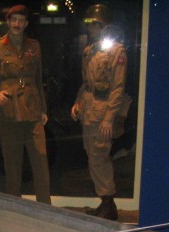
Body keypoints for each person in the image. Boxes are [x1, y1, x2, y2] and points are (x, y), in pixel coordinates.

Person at [0, 4, 51, 205]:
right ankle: (14, 208)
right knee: (12, 165)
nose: (17, 24)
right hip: (9, 112)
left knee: (40, 162)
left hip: (33, 110)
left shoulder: (34, 46)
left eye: (21, 20)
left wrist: (44, 109)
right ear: (8, 22)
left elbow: (38, 79)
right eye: (13, 20)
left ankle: (46, 209)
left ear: (26, 23)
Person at [70, 3, 129, 220]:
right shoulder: (90, 50)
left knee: (99, 157)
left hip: (103, 114)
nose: (90, 28)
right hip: (89, 112)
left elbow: (118, 87)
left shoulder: (117, 51)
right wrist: (77, 103)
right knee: (92, 156)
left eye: (94, 25)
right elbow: (86, 84)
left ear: (103, 25)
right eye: (89, 25)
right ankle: (104, 202)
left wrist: (109, 118)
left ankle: (109, 205)